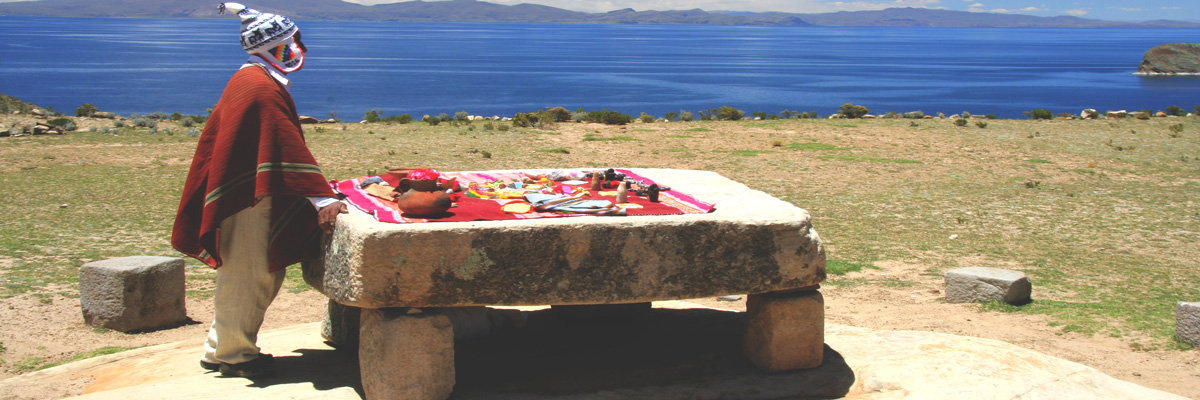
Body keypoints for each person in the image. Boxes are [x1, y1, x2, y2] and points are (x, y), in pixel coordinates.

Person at [171, 2, 346, 378]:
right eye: (295, 40)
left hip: (245, 190)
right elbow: (280, 145)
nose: (301, 47)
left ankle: (221, 348)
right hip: (251, 199)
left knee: (242, 274)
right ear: (279, 46)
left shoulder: (251, 78)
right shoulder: (259, 87)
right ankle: (235, 356)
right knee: (251, 275)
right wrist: (320, 196)